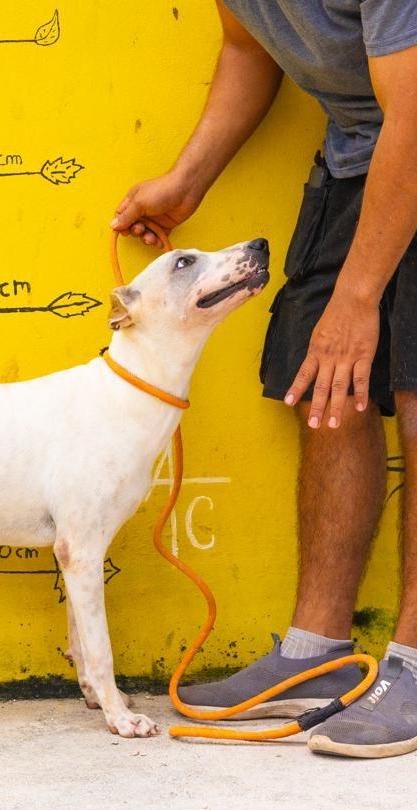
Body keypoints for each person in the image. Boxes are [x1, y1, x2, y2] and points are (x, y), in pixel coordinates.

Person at [112, 0, 417, 758]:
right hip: (357, 158)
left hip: (409, 141)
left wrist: (357, 300)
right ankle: (314, 653)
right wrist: (189, 179)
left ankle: (413, 665)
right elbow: (247, 49)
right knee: (323, 389)